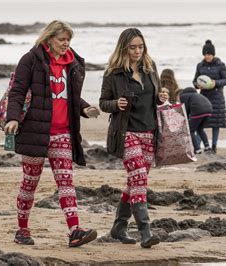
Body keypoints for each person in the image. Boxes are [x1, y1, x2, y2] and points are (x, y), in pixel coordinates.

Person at [4, 20, 99, 247]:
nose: (66, 44)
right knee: (30, 183)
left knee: (66, 182)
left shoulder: (73, 63)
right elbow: (17, 91)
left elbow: (69, 96)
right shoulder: (30, 60)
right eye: (62, 40)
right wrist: (13, 118)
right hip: (35, 131)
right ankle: (22, 230)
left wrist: (85, 108)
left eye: (68, 40)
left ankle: (75, 230)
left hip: (62, 133)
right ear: (49, 39)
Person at [99, 28, 168, 248]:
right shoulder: (113, 72)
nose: (138, 51)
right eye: (133, 47)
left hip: (149, 132)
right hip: (126, 132)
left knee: (135, 182)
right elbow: (103, 102)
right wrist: (115, 104)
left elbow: (155, 100)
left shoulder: (150, 67)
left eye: (141, 47)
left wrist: (161, 97)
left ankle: (119, 227)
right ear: (124, 48)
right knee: (139, 178)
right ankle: (145, 232)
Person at [192, 40, 226, 153]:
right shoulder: (200, 65)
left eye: (209, 54)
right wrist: (197, 85)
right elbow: (195, 80)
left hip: (217, 97)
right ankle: (198, 146)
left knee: (216, 123)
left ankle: (214, 146)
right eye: (205, 54)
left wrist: (215, 83)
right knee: (200, 122)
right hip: (203, 97)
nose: (207, 56)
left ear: (213, 54)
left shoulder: (220, 65)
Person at [178, 87, 213, 154]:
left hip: (198, 111)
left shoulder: (183, 96)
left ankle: (197, 149)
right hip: (209, 110)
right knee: (200, 129)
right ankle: (207, 147)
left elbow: (185, 109)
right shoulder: (197, 95)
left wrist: (185, 119)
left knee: (190, 130)